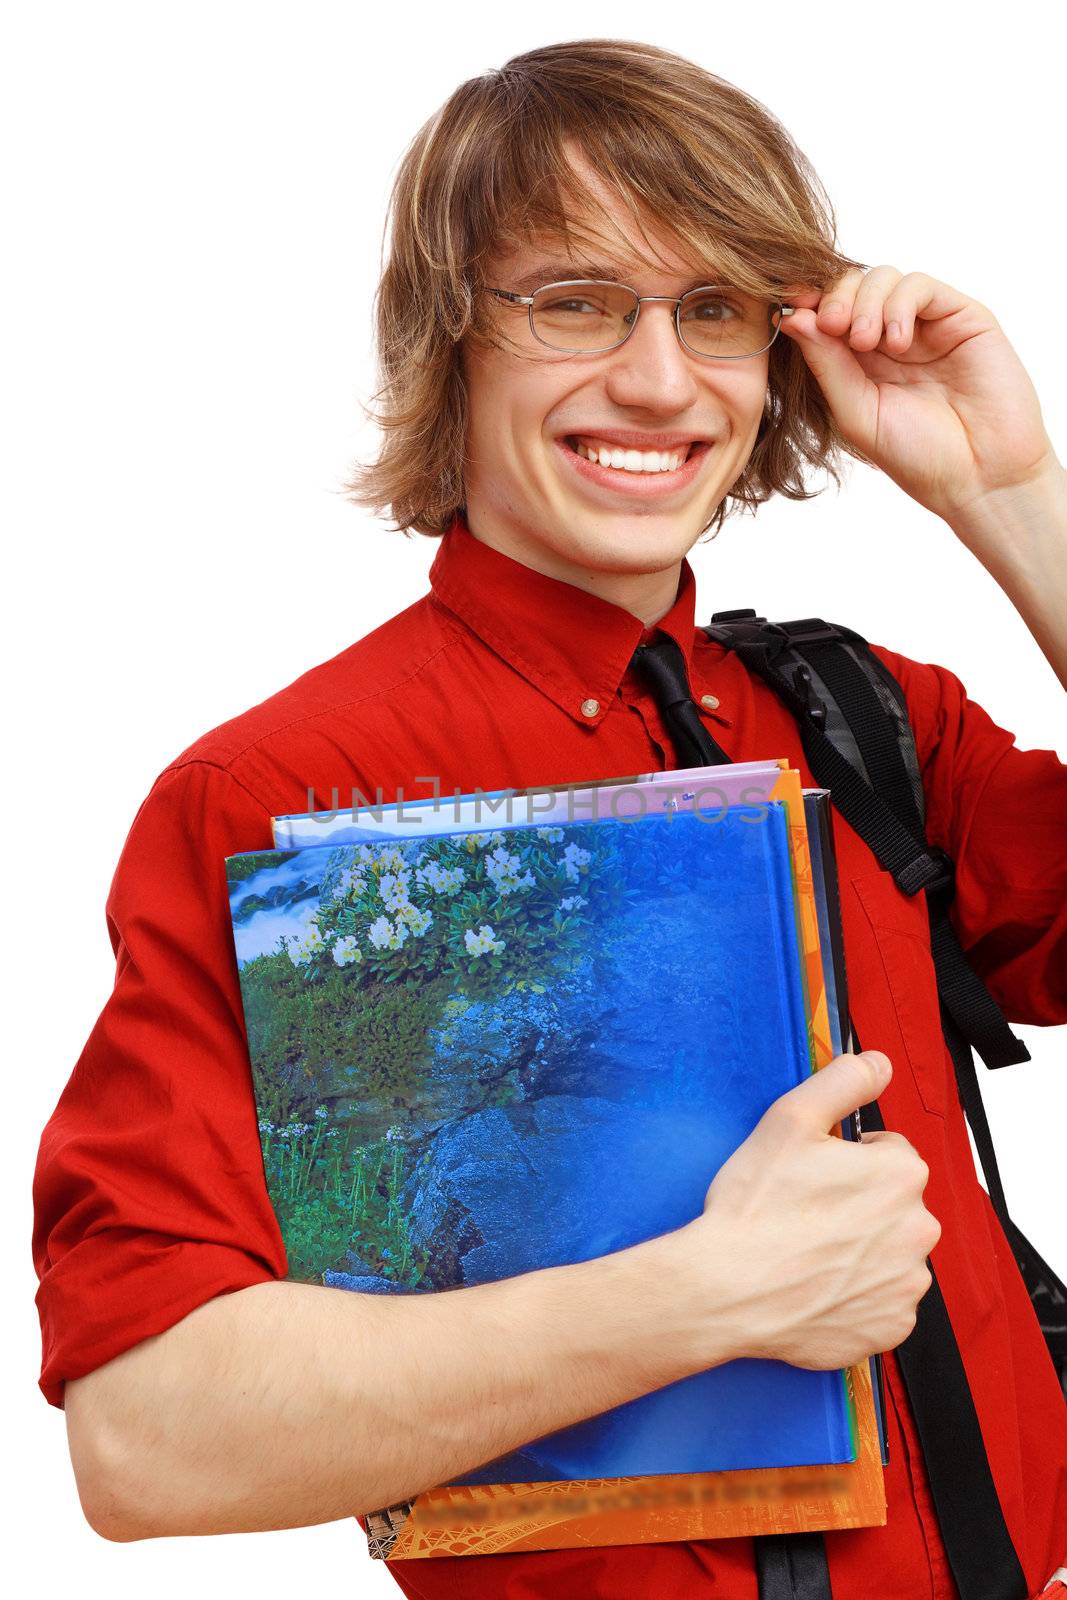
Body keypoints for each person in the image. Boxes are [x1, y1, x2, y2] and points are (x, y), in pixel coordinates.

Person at [34, 37, 1066, 1600]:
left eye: (712, 309)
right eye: (575, 301)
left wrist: (1013, 491)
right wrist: (706, 1297)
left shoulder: (869, 721)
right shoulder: (288, 796)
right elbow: (146, 1440)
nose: (658, 380)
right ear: (450, 341)